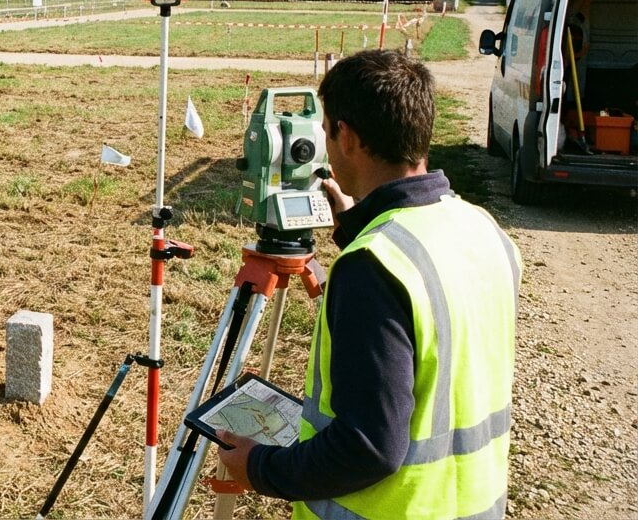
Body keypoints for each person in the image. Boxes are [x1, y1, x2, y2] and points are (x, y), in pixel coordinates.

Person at [216, 49, 521, 519]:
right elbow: (430, 322)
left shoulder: (373, 267)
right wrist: (359, 227)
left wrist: (259, 467)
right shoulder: (483, 229)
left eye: (326, 132)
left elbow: (368, 447)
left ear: (348, 136)